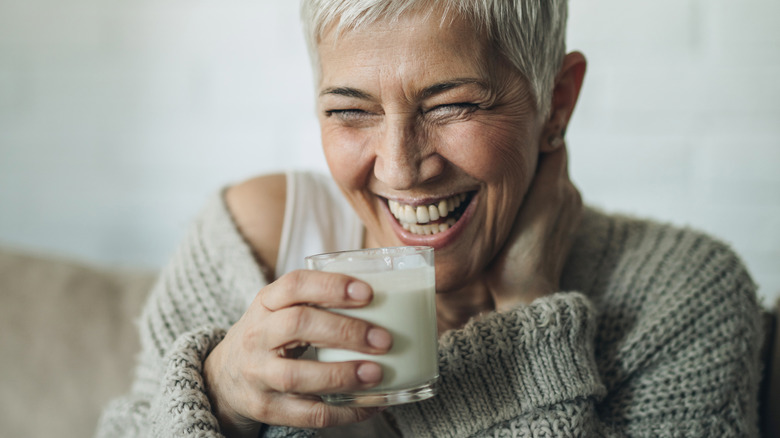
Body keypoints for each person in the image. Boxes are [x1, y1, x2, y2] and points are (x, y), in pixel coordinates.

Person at [96, 1, 763, 436]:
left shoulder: (684, 297)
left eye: (452, 105)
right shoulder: (257, 237)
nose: (400, 168)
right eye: (349, 110)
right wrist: (216, 394)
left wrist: (529, 325)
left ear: (557, 100)